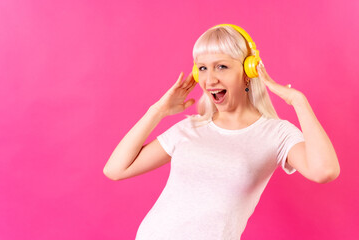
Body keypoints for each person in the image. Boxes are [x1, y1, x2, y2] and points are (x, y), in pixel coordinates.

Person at [103, 24, 340, 240]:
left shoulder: (277, 133)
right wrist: (157, 111)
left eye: (222, 67)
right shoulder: (191, 127)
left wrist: (299, 102)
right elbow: (116, 169)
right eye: (203, 68)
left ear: (249, 70)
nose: (209, 79)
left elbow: (324, 171)